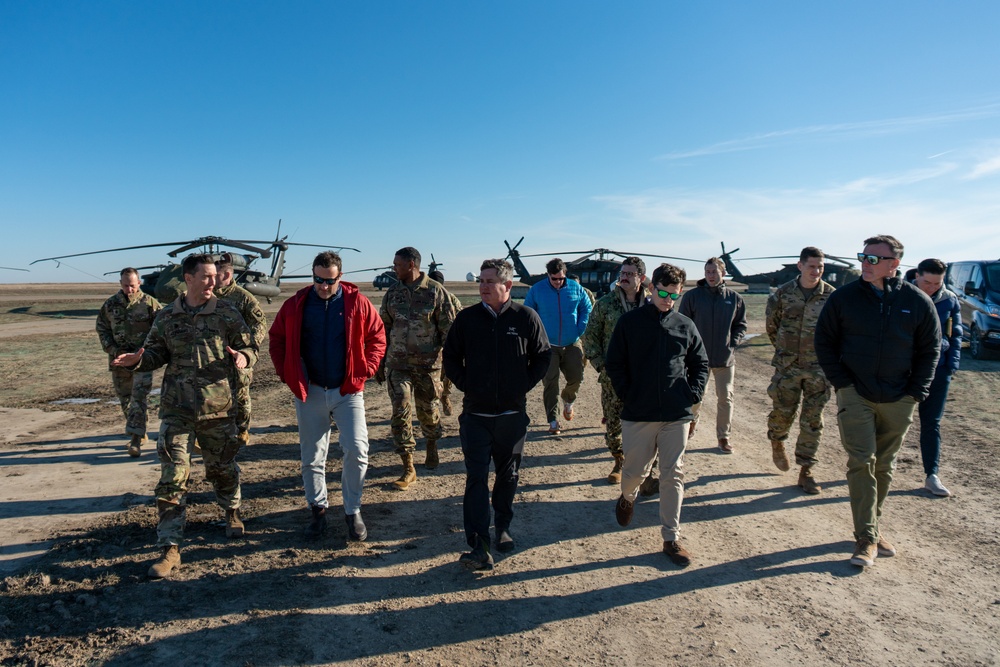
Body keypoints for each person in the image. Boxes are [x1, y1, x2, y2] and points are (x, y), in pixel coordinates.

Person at [111, 254, 257, 578]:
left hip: (217, 409)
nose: (213, 282)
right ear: (188, 278)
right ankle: (170, 550)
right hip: (177, 411)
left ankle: (231, 511)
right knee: (172, 478)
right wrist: (137, 360)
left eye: (215, 276)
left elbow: (249, 345)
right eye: (206, 276)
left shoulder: (227, 313)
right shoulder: (166, 316)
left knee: (221, 470)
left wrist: (244, 358)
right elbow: (155, 353)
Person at [815, 235, 940, 567]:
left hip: (900, 398)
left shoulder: (917, 302)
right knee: (862, 462)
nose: (865, 264)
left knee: (884, 467)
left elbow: (931, 350)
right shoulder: (844, 299)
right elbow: (824, 341)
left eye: (873, 259)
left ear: (894, 265)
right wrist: (843, 383)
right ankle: (866, 538)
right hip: (856, 394)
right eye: (863, 257)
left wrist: (916, 392)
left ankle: (872, 526)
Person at [269, 251, 386, 543]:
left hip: (347, 391)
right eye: (318, 280)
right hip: (310, 392)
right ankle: (318, 510)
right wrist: (288, 374)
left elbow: (377, 337)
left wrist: (366, 370)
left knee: (358, 450)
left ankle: (353, 510)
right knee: (312, 456)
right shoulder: (296, 304)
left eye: (329, 281)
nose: (323, 286)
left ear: (340, 277)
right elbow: (278, 339)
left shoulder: (357, 302)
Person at [442, 258, 551, 570]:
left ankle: (502, 526)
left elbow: (542, 355)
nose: (483, 287)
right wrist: (467, 385)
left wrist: (522, 385)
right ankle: (479, 545)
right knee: (476, 477)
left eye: (490, 282)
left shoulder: (526, 317)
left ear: (507, 285)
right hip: (475, 415)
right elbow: (450, 357)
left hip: (511, 416)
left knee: (508, 476)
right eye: (481, 281)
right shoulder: (467, 319)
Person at [606, 263, 708, 567]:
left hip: (677, 413)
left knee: (673, 473)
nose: (668, 299)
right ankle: (628, 496)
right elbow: (615, 363)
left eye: (674, 295)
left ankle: (671, 538)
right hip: (639, 413)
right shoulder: (629, 323)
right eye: (663, 292)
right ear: (651, 289)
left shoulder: (685, 325)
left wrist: (693, 395)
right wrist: (629, 393)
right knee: (635, 472)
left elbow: (700, 363)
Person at [379, 247, 456, 489]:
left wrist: (450, 367)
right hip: (398, 365)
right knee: (400, 409)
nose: (394, 268)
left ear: (411, 264)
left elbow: (449, 332)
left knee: (428, 414)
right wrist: (380, 362)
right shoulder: (392, 293)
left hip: (427, 366)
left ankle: (431, 445)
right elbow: (383, 330)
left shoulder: (435, 291)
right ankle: (408, 466)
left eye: (397, 265)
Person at [765, 247, 836, 494]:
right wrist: (787, 354)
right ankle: (777, 440)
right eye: (811, 266)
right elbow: (772, 327)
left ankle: (807, 470)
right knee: (783, 412)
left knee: (813, 420)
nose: (816, 271)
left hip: (819, 369)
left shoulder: (831, 296)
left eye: (820, 267)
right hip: (788, 367)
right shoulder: (783, 294)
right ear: (800, 266)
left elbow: (837, 332)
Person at [582, 257, 650, 484]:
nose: (624, 277)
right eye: (623, 273)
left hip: (644, 377)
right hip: (614, 377)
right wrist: (603, 366)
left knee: (646, 423)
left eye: (630, 274)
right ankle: (619, 461)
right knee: (614, 422)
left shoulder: (651, 305)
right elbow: (590, 337)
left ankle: (644, 467)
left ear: (641, 278)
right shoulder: (605, 304)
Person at [678, 257, 747, 453]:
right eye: (707, 272)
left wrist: (733, 342)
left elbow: (740, 324)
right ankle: (690, 424)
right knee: (696, 397)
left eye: (714, 272)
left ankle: (723, 437)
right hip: (698, 359)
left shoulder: (734, 299)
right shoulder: (692, 297)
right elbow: (683, 324)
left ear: (722, 273)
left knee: (726, 397)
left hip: (725, 360)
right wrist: (687, 349)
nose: (710, 275)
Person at [95, 267, 162, 458]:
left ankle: (135, 438)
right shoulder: (110, 305)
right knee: (125, 398)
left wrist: (147, 351)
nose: (129, 289)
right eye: (125, 285)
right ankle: (140, 430)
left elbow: (160, 330)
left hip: (142, 361)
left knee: (138, 397)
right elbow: (102, 329)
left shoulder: (150, 303)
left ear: (139, 283)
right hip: (118, 360)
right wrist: (114, 350)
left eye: (132, 285)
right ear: (120, 284)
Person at [911, 258, 962, 497]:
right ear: (917, 276)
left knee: (932, 424)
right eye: (927, 282)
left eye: (937, 283)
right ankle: (874, 470)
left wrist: (950, 366)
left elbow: (956, 335)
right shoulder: (901, 295)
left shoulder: (949, 300)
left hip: (938, 372)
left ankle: (932, 475)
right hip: (904, 372)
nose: (931, 288)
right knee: (890, 424)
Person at [523, 258, 592, 435]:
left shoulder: (576, 288)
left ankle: (568, 400)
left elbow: (586, 307)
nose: (558, 282)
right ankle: (553, 421)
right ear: (548, 275)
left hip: (572, 342)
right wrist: (536, 336)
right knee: (550, 383)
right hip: (547, 346)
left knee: (576, 377)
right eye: (554, 279)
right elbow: (528, 313)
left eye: (561, 278)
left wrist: (580, 327)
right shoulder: (537, 290)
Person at [214, 254, 268, 445]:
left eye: (216, 274)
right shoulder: (207, 296)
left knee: (241, 396)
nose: (212, 279)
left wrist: (248, 348)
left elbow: (260, 324)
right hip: (213, 357)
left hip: (238, 356)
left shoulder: (243, 298)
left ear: (227, 274)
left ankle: (242, 428)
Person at [429, 269, 464, 417]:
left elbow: (461, 317)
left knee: (447, 375)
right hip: (430, 348)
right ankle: (434, 406)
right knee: (432, 379)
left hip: (448, 345)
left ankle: (445, 397)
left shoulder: (451, 299)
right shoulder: (424, 298)